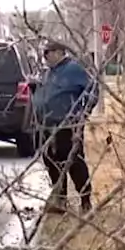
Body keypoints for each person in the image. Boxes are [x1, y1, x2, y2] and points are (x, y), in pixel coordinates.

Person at [32, 41, 97, 214]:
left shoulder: (74, 69)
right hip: (47, 125)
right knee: (51, 161)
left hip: (68, 125)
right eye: (44, 53)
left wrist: (84, 113)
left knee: (74, 162)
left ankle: (85, 201)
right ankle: (60, 200)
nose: (46, 56)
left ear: (61, 52)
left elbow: (92, 90)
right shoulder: (48, 73)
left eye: (49, 52)